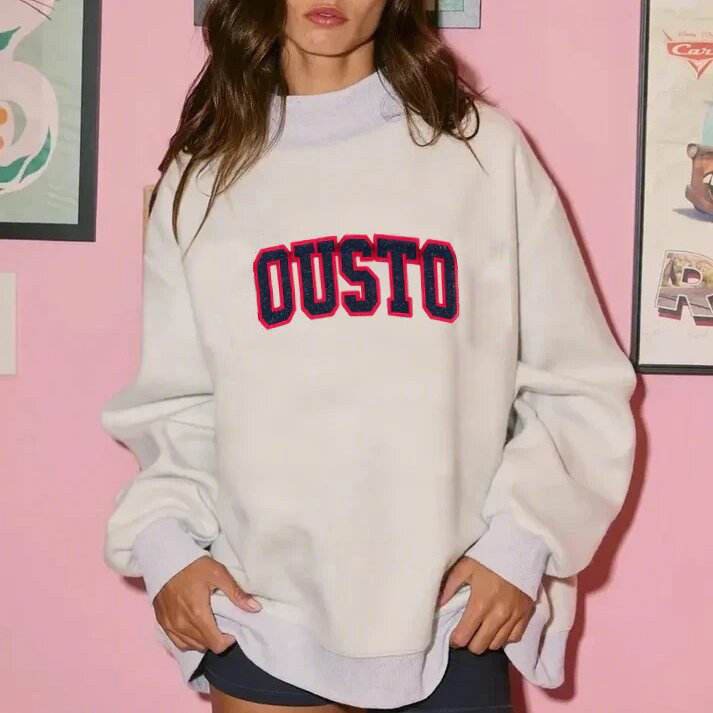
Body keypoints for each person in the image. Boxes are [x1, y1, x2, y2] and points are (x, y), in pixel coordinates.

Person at [100, 2, 638, 712]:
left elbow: (577, 380)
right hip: (261, 617)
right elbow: (176, 405)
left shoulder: (481, 154)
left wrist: (519, 544)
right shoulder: (203, 181)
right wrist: (168, 548)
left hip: (452, 617)